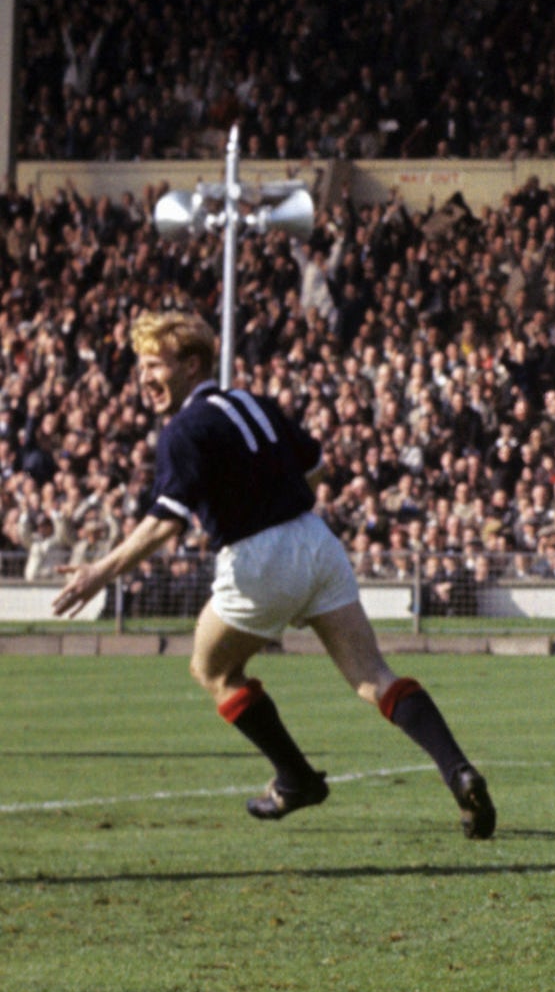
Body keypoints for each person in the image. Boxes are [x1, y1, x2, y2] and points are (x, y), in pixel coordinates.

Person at [50, 310, 493, 836]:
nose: (144, 378)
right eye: (140, 366)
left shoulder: (183, 429)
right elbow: (316, 466)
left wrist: (99, 572)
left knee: (210, 670)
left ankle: (295, 779)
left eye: (154, 364)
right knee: (374, 676)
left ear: (191, 364)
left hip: (258, 556)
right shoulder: (251, 402)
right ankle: (459, 771)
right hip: (315, 541)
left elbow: (164, 524)